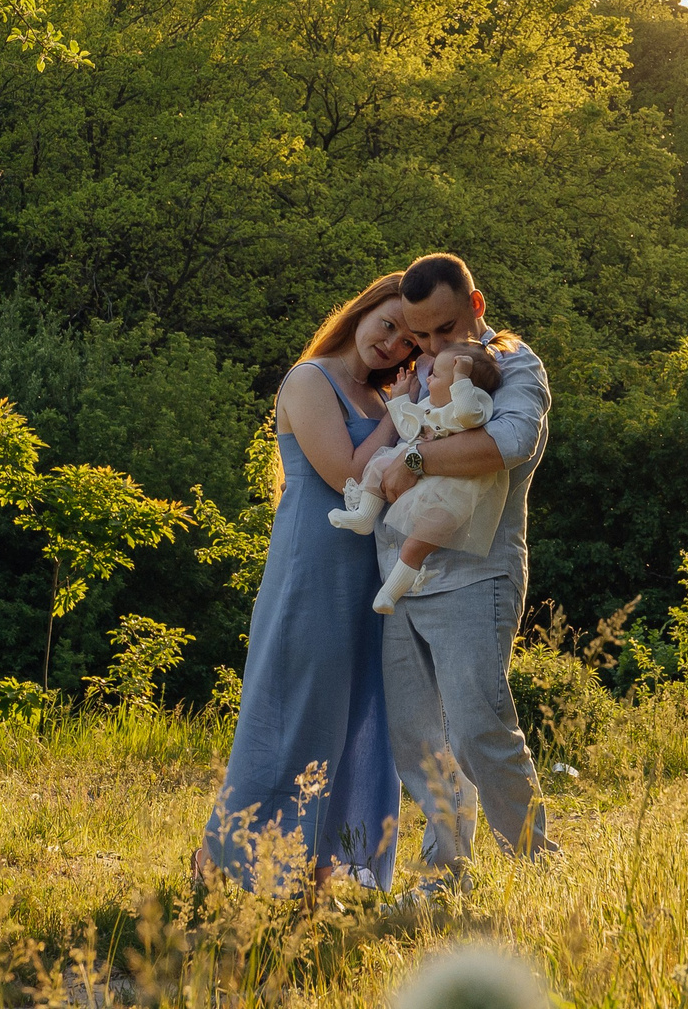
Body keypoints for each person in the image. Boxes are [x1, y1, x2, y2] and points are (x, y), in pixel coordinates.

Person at [197, 273, 415, 893]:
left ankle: (322, 875)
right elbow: (350, 475)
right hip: (311, 573)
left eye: (407, 340)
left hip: (367, 580)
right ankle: (224, 861)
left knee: (356, 725)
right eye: (388, 323)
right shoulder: (309, 379)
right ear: (363, 311)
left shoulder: (378, 400)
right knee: (291, 719)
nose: (393, 343)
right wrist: (403, 417)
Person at [377, 253, 556, 873]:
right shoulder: (418, 366)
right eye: (418, 334)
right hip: (400, 577)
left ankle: (539, 864)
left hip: (476, 576)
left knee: (478, 732)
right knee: (421, 742)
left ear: (475, 307)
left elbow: (508, 444)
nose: (427, 346)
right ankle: (444, 873)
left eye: (443, 331)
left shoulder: (510, 363)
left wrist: (418, 459)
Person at [328, 342, 507, 614]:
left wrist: (460, 378)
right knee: (380, 466)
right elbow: (408, 429)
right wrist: (400, 399)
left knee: (419, 542)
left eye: (437, 375)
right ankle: (364, 516)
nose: (429, 379)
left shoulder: (474, 404)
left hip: (451, 491)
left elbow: (469, 416)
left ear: (463, 384)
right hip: (417, 478)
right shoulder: (430, 404)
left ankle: (391, 591)